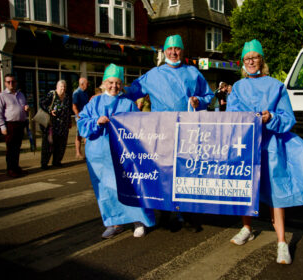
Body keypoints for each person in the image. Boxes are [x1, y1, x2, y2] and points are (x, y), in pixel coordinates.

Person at [226, 39, 303, 264]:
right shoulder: (237, 87)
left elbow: (288, 118)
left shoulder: (276, 86)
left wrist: (270, 117)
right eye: (247, 58)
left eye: (254, 57)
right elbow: (231, 116)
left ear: (261, 60)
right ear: (243, 63)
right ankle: (246, 228)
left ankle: (281, 242)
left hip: (272, 145)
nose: (250, 61)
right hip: (245, 145)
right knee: (245, 187)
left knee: (277, 192)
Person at [125, 34, 214, 231]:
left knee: (185, 171)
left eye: (177, 49)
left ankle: (186, 213)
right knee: (164, 172)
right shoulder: (154, 75)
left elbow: (209, 95)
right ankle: (164, 210)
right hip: (162, 132)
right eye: (170, 49)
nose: (173, 53)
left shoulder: (193, 73)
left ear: (182, 51)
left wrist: (199, 101)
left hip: (187, 132)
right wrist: (109, 90)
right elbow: (131, 91)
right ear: (164, 51)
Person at [77, 63, 156, 238]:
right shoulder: (95, 102)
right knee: (106, 190)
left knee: (131, 186)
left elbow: (140, 128)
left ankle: (139, 220)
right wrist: (96, 121)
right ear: (104, 83)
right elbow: (82, 123)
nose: (114, 86)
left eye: (118, 83)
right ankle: (115, 222)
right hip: (100, 157)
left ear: (122, 85)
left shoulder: (128, 104)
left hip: (124, 157)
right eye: (111, 82)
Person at [0, 74, 29, 178]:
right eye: (8, 82)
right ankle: (10, 169)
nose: (11, 84)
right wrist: (2, 126)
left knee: (17, 147)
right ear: (5, 83)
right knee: (10, 148)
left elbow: (24, 107)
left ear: (16, 82)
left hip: (20, 124)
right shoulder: (2, 96)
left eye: (13, 82)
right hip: (10, 125)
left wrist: (26, 108)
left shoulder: (20, 94)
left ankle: (16, 167)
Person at [39, 80, 71, 170]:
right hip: (51, 125)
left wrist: (69, 121)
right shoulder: (51, 94)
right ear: (57, 87)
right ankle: (44, 163)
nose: (63, 88)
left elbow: (68, 110)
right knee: (48, 145)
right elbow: (41, 103)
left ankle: (57, 161)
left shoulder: (67, 97)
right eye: (61, 86)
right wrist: (50, 110)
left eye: (64, 87)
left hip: (63, 126)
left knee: (61, 145)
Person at [72, 77, 89, 160]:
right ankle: (78, 153)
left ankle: (87, 153)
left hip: (86, 117)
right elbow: (74, 106)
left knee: (86, 135)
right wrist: (78, 116)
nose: (88, 85)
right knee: (79, 135)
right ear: (82, 84)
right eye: (87, 83)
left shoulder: (85, 93)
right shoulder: (77, 93)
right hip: (80, 117)